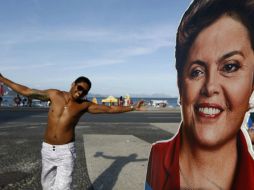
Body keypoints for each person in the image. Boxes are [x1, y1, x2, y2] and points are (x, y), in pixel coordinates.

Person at [146, 0, 254, 189]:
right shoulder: (157, 155)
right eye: (196, 71)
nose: (210, 87)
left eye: (230, 67)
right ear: (180, 85)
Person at [0, 73, 143, 190]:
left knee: (62, 188)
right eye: (79, 87)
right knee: (46, 186)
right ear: (73, 84)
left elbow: (110, 109)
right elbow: (26, 91)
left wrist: (132, 107)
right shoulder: (54, 95)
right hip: (47, 150)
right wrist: (2, 79)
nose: (80, 92)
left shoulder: (84, 105)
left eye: (84, 91)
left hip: (65, 152)